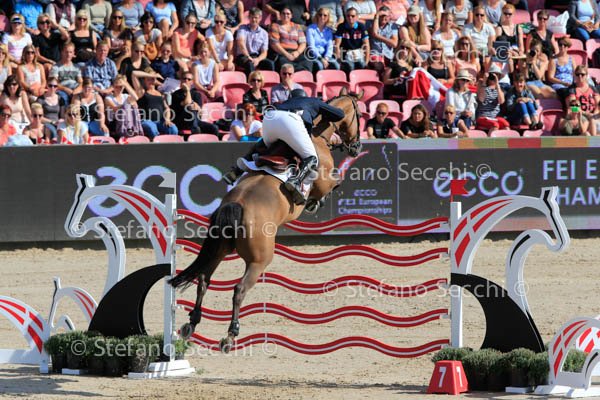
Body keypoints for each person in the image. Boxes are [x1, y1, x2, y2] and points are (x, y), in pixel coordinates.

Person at [223, 88, 346, 205]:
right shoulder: (312, 101)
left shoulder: (285, 103)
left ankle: (236, 172)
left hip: (270, 118)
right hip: (290, 121)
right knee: (312, 158)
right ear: (305, 96)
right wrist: (323, 113)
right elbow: (340, 115)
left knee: (262, 145)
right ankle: (295, 182)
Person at [132, 67, 178, 137]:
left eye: (153, 79)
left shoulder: (160, 93)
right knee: (152, 128)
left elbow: (167, 108)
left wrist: (167, 119)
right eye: (148, 79)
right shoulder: (142, 91)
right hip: (147, 120)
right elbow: (134, 74)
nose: (151, 81)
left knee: (173, 129)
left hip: (160, 121)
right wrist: (152, 75)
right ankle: (157, 142)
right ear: (144, 80)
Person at [170, 70, 219, 135]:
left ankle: (197, 129)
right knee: (190, 109)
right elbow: (187, 103)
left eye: (189, 79)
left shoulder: (196, 94)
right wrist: (187, 91)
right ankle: (195, 130)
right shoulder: (176, 94)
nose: (186, 80)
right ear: (181, 80)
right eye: (184, 78)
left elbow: (200, 111)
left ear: (192, 82)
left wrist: (197, 107)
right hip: (181, 122)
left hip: (196, 121)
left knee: (214, 128)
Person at [268, 7, 313, 72]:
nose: (285, 15)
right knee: (284, 63)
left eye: (288, 14)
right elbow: (274, 44)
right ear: (280, 15)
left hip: (296, 52)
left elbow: (303, 42)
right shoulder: (275, 26)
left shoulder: (297, 27)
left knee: (308, 61)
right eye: (283, 13)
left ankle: (303, 75)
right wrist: (286, 54)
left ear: (291, 15)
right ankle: (300, 72)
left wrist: (297, 52)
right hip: (282, 53)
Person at [335, 7, 370, 75]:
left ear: (357, 17)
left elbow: (367, 45)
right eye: (348, 16)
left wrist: (366, 61)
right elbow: (337, 45)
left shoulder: (361, 27)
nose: (350, 18)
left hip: (359, 53)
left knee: (362, 65)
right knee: (351, 66)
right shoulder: (341, 27)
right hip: (345, 53)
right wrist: (339, 60)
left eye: (353, 16)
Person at [306, 7, 340, 72]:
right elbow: (311, 47)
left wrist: (326, 58)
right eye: (320, 15)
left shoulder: (329, 30)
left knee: (336, 65)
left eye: (325, 15)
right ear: (317, 16)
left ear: (328, 17)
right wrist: (321, 58)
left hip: (325, 55)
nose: (322, 17)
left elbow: (330, 46)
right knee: (320, 65)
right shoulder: (310, 29)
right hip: (313, 55)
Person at [367, 6, 397, 76]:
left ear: (389, 16)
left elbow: (394, 44)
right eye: (381, 16)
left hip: (388, 55)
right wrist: (376, 16)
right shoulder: (371, 23)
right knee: (379, 65)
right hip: (375, 54)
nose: (383, 18)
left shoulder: (393, 26)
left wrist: (378, 36)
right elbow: (374, 32)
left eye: (386, 16)